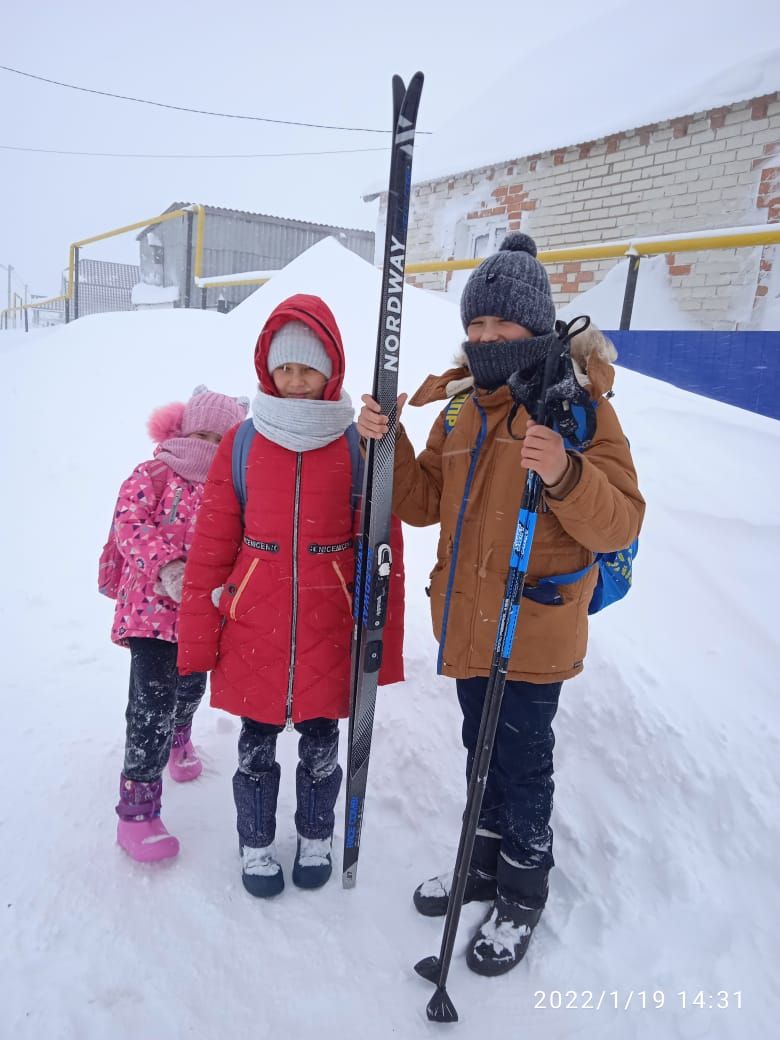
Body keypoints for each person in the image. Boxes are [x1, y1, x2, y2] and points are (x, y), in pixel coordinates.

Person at [357, 233, 645, 975]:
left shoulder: (574, 408)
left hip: (535, 628)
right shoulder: (459, 412)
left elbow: (622, 518)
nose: (486, 339)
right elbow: (420, 503)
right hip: (465, 623)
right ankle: (479, 862)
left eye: (502, 326)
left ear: (536, 326)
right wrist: (381, 448)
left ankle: (522, 888)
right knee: (475, 749)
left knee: (520, 760)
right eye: (476, 325)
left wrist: (565, 473)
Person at [177, 294, 404, 898]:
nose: (297, 381)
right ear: (266, 370)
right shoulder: (243, 443)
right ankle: (255, 844)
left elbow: (384, 551)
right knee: (255, 748)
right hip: (255, 623)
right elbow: (212, 544)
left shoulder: (358, 444)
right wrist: (199, 634)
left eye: (309, 368)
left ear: (332, 370)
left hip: (328, 627)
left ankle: (315, 835)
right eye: (285, 368)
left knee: (322, 748)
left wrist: (382, 638)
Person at [111, 386, 249, 863]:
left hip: (200, 611)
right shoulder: (152, 473)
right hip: (150, 607)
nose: (208, 443)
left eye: (219, 436)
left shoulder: (231, 486)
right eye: (201, 432)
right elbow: (129, 525)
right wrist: (168, 566)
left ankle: (180, 734)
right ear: (183, 429)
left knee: (189, 687)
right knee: (150, 701)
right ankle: (137, 813)